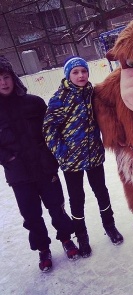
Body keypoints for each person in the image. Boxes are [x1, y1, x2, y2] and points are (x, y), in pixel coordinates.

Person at [0, 56, 80, 273]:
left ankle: (66, 239)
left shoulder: (34, 103)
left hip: (45, 168)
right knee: (31, 214)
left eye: (6, 77)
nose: (3, 83)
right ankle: (43, 249)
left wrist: (52, 157)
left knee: (57, 206)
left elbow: (51, 133)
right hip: (19, 175)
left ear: (13, 78)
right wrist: (7, 159)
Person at [43, 56, 123, 259]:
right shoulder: (59, 99)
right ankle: (82, 236)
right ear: (68, 75)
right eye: (75, 72)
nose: (80, 75)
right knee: (77, 199)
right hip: (71, 161)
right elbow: (48, 129)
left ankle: (110, 226)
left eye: (83, 71)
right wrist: (61, 151)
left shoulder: (93, 94)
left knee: (101, 192)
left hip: (94, 154)